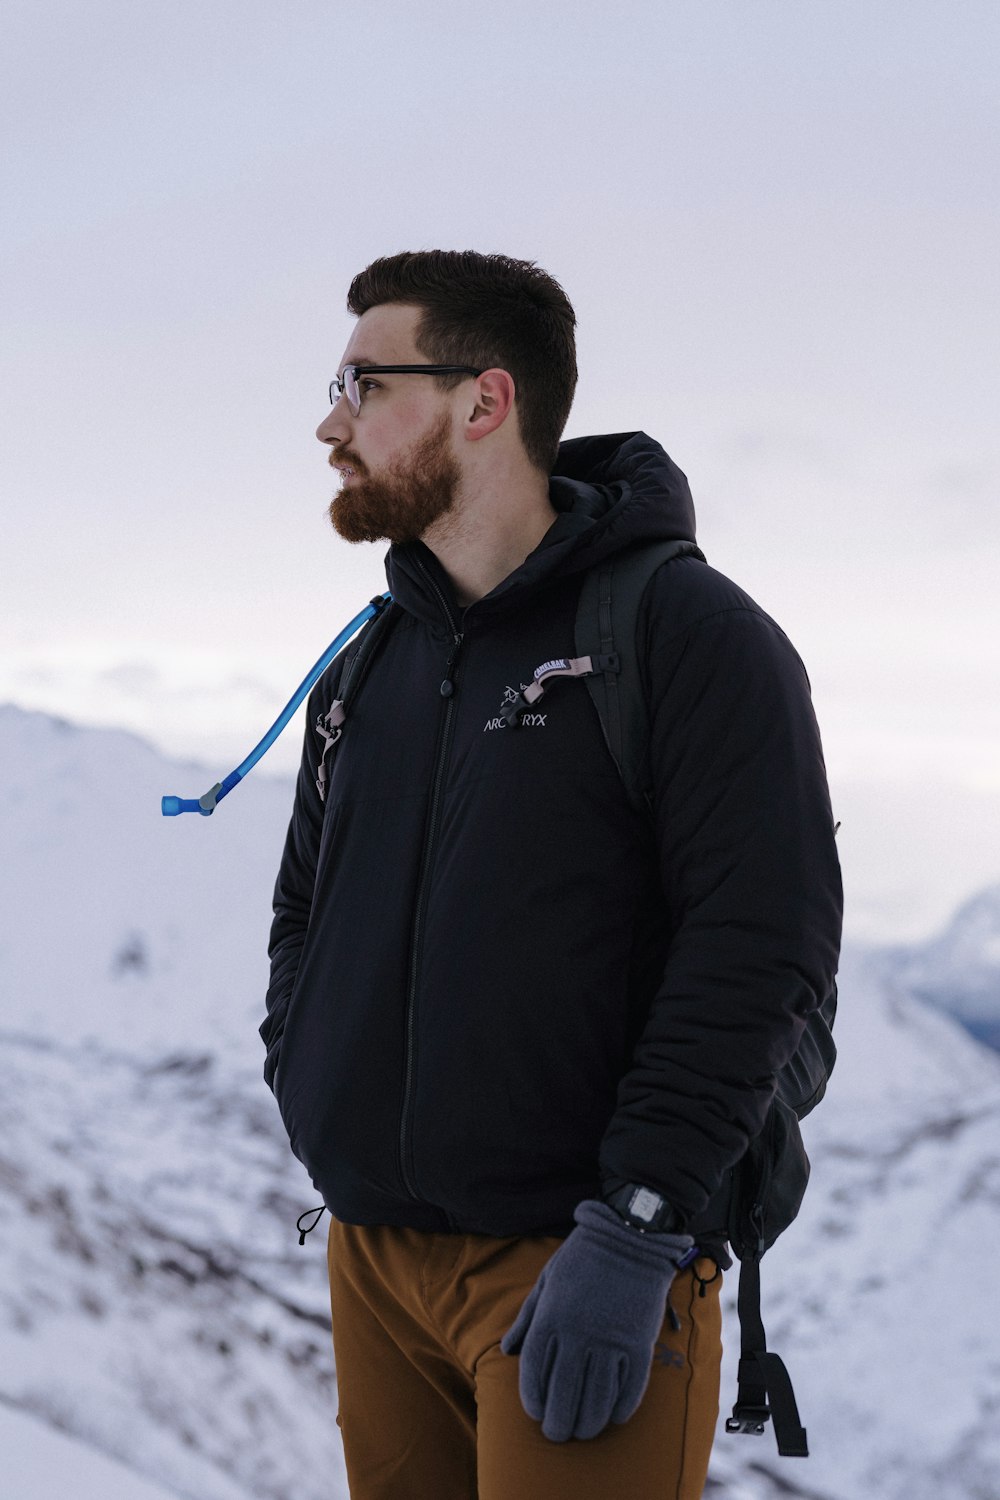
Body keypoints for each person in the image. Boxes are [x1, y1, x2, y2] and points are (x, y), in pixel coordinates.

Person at [260, 249, 843, 1500]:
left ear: (485, 400)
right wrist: (310, 1083)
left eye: (363, 383)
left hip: (579, 1266)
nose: (328, 421)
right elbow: (304, 907)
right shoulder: (376, 660)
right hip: (374, 1259)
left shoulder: (690, 638)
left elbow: (762, 950)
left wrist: (634, 1230)